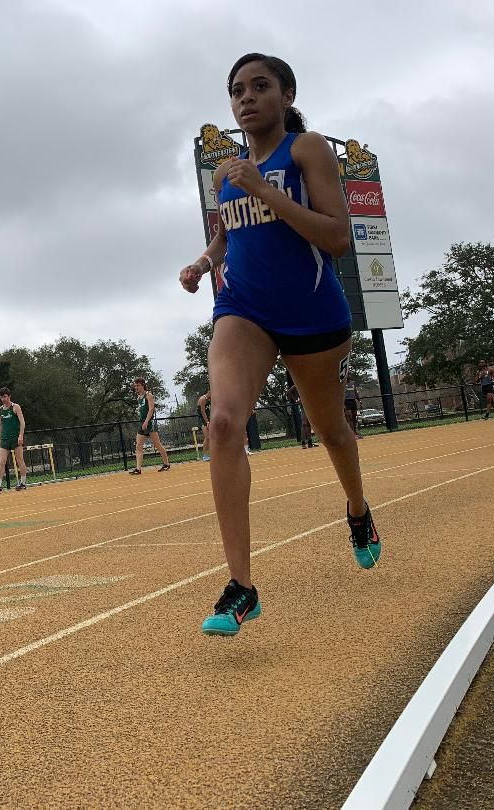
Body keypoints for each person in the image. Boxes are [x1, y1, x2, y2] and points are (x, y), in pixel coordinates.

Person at [178, 53, 382, 637]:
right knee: (222, 422)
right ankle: (242, 585)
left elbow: (338, 237)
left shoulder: (307, 150)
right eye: (236, 90)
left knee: (331, 431)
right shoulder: (225, 173)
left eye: (260, 86)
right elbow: (230, 234)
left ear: (287, 94)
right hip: (244, 308)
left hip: (312, 313)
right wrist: (204, 261)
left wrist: (266, 190)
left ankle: (358, 511)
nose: (246, 98)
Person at [129, 378, 171, 474]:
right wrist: (142, 421)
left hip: (149, 423)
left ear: (143, 385)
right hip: (142, 422)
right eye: (135, 386)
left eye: (138, 385)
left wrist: (147, 421)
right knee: (138, 446)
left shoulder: (149, 395)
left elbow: (151, 409)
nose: (136, 388)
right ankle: (138, 469)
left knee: (157, 445)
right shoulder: (139, 397)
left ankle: (166, 464)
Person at [0, 388, 28, 492]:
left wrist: (21, 435)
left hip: (15, 438)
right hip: (5, 439)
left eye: (5, 396)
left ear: (9, 396)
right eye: (1, 397)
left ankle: (23, 483)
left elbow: (22, 422)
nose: (3, 399)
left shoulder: (15, 407)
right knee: (2, 461)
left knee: (19, 460)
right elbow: (0, 425)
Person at [288, 383, 315, 448]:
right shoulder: (297, 384)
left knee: (308, 424)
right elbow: (289, 392)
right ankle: (303, 443)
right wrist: (296, 400)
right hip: (303, 405)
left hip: (309, 404)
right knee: (304, 424)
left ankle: (310, 442)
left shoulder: (308, 383)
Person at [343, 373, 362, 438]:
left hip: (353, 401)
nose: (349, 376)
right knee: (349, 417)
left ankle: (355, 431)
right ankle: (352, 433)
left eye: (349, 374)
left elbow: (356, 392)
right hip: (346, 401)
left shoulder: (353, 383)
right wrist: (343, 405)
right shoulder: (342, 383)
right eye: (347, 374)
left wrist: (359, 400)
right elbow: (341, 395)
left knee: (354, 417)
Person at [198, 390, 212, 461]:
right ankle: (205, 455)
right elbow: (203, 412)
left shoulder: (210, 399)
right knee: (207, 437)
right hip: (202, 420)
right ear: (209, 392)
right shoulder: (203, 399)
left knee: (210, 438)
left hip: (208, 419)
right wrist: (207, 422)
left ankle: (210, 454)